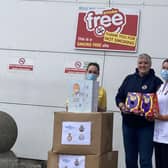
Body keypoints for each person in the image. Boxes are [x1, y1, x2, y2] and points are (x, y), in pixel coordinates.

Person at [115, 53, 162, 168]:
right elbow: (119, 97)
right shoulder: (129, 79)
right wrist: (122, 106)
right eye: (140, 63)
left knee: (145, 160)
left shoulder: (156, 82)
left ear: (150, 65)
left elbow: (162, 103)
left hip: (146, 126)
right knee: (130, 159)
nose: (143, 65)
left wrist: (154, 113)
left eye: (146, 63)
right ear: (137, 64)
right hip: (128, 125)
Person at [153, 58, 168, 168]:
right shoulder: (161, 87)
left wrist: (161, 117)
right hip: (158, 133)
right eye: (164, 68)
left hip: (167, 135)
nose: (165, 71)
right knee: (159, 163)